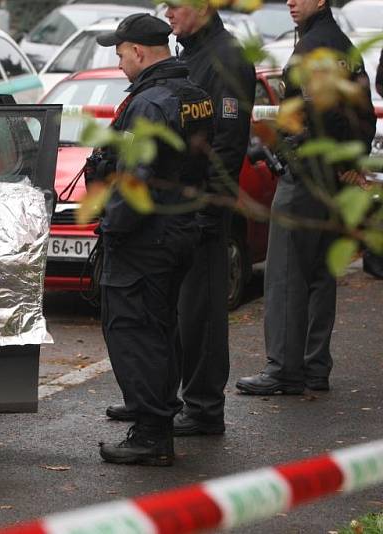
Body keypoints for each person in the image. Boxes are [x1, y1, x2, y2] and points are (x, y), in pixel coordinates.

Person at [104, 0, 255, 437]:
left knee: (201, 313)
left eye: (178, 5)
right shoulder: (191, 57)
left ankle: (204, 407)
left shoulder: (226, 58)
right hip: (180, 213)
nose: (169, 13)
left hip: (201, 209)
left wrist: (203, 206)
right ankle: (160, 401)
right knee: (171, 313)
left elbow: (225, 143)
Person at [89, 13, 214, 466]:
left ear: (138, 52)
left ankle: (150, 433)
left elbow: (134, 183)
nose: (120, 63)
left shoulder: (149, 103)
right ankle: (155, 421)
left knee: (133, 333)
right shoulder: (194, 94)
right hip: (179, 230)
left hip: (145, 239)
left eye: (120, 53)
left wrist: (110, 228)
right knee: (160, 330)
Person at [236, 0, 376, 394]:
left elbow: (313, 116)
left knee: (284, 276)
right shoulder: (342, 45)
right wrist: (349, 161)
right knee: (318, 275)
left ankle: (283, 369)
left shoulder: (314, 47)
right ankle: (315, 366)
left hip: (305, 178)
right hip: (333, 179)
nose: (291, 2)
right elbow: (362, 113)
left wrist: (291, 152)